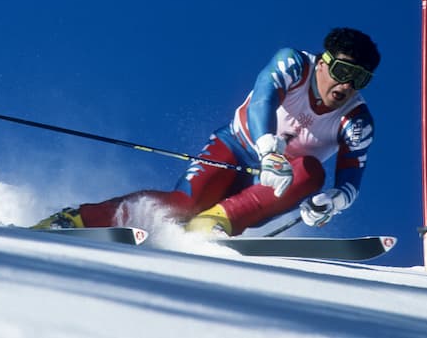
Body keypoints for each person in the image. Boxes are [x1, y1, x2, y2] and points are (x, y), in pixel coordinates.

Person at [33, 27, 380, 236]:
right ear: (323, 62)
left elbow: (351, 182)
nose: (347, 85)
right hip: (237, 148)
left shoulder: (357, 120)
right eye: (341, 70)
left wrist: (332, 203)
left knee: (312, 174)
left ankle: (212, 225)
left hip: (276, 182)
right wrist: (268, 150)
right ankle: (76, 219)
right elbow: (262, 98)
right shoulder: (294, 65)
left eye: (360, 79)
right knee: (184, 204)